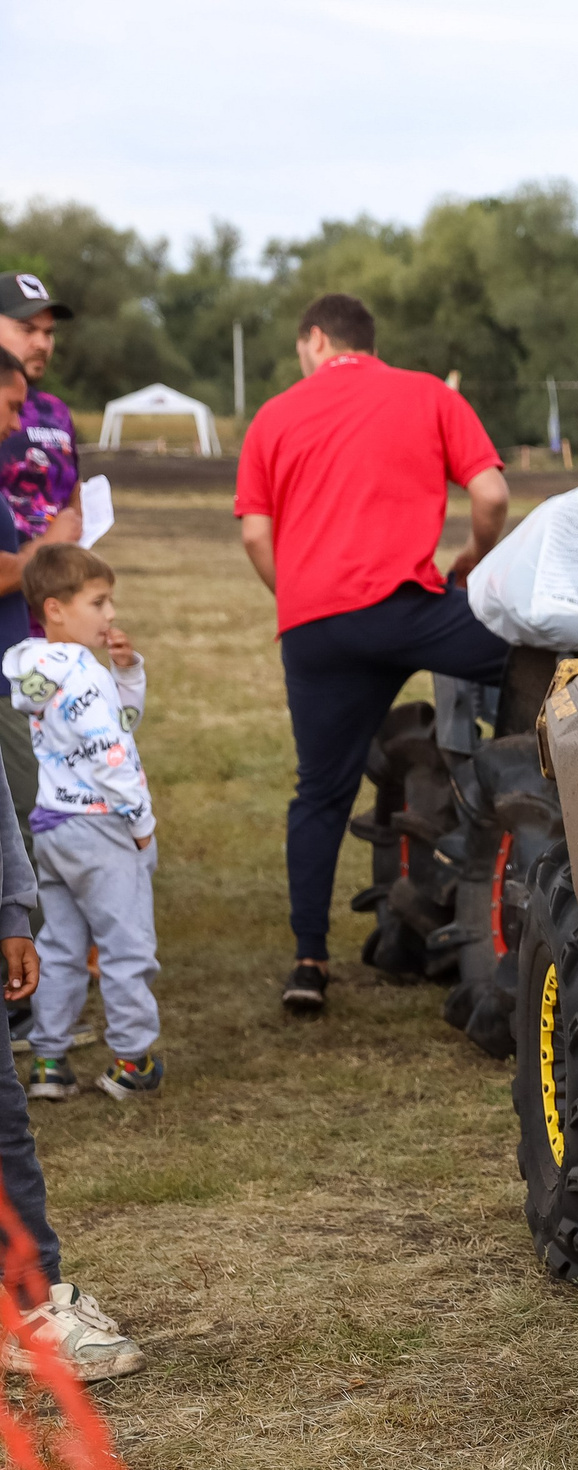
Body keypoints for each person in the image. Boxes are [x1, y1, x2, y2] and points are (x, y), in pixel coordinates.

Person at [235, 293, 511, 1016]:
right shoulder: (425, 393)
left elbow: (256, 537)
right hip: (408, 609)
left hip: (315, 626)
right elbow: (490, 495)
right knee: (534, 661)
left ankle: (308, 960)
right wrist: (474, 559)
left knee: (319, 793)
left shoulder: (272, 415)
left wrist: (297, 598)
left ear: (316, 340)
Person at [0, 360, 138, 1381]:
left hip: (30, 834)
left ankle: (30, 1293)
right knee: (117, 949)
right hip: (88, 824)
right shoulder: (67, 666)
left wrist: (12, 896)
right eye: (8, 408)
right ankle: (26, 1308)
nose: (21, 428)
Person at [8, 544, 158, 1100]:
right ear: (55, 609)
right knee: (127, 943)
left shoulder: (43, 668)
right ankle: (131, 1058)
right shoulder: (85, 678)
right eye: (98, 602)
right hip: (101, 827)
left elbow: (119, 720)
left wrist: (128, 670)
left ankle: (49, 1060)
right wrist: (140, 822)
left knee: (62, 943)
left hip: (54, 827)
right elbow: (109, 749)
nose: (111, 614)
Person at [0, 274, 85, 850]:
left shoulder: (55, 412)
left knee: (57, 790)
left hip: (50, 632)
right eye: (26, 328)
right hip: (6, 630)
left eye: (49, 332)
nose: (41, 343)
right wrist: (42, 552)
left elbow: (73, 500)